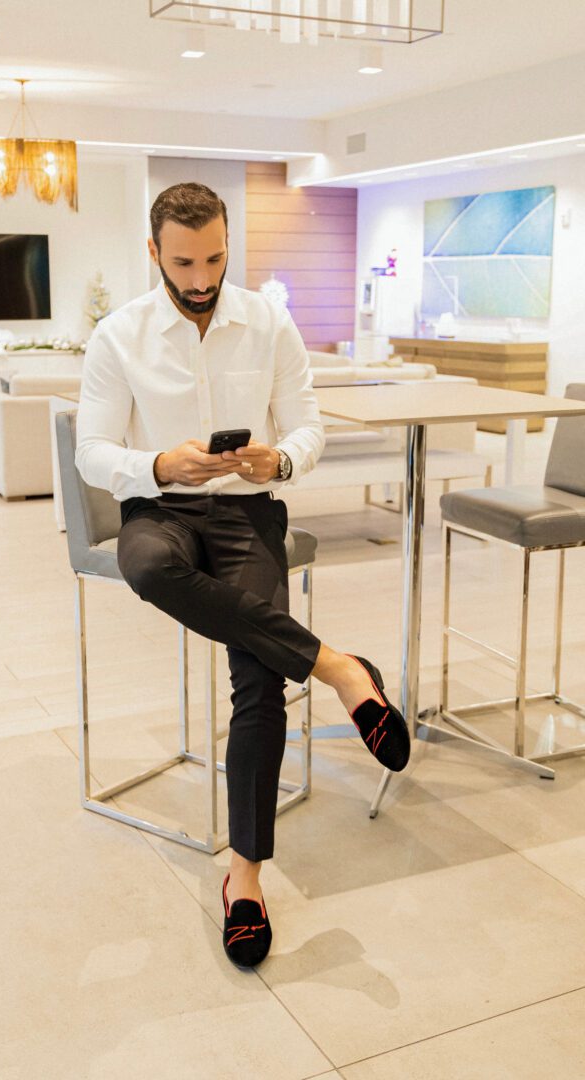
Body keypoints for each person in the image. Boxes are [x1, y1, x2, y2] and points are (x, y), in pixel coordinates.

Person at [75, 182, 410, 971]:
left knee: (258, 681)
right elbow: (92, 451)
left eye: (216, 257)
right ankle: (338, 667)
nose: (201, 276)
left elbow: (307, 425)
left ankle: (246, 880)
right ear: (153, 251)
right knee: (149, 566)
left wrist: (280, 457)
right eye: (185, 260)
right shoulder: (118, 336)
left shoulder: (268, 320)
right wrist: (159, 461)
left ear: (230, 244)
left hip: (249, 511)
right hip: (160, 507)